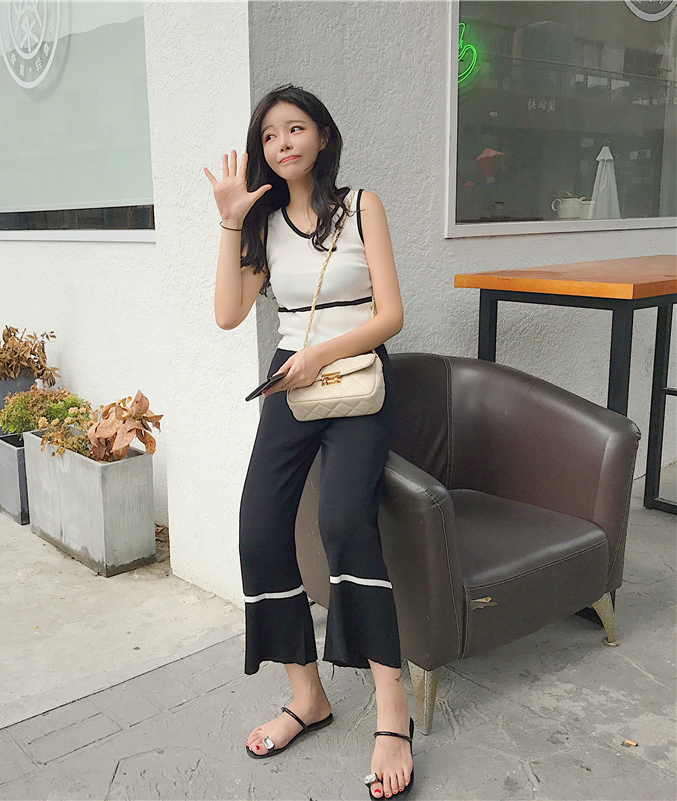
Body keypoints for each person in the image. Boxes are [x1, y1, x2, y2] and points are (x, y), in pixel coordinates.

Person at [203, 84, 414, 800]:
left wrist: (322, 353)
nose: (282, 143)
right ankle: (308, 694)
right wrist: (231, 221)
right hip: (290, 382)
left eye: (295, 128)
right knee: (259, 526)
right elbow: (228, 314)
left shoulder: (361, 206)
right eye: (269, 135)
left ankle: (391, 706)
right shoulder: (262, 225)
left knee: (344, 520)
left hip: (354, 377)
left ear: (322, 136)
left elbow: (390, 314)